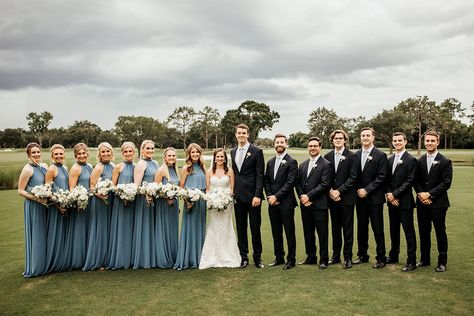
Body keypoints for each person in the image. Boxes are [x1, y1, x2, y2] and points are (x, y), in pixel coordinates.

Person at [414, 130, 452, 273]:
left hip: (438, 204)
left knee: (440, 232)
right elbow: (415, 181)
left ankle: (442, 262)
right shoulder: (420, 161)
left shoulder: (445, 161)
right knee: (424, 232)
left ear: (438, 142)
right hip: (422, 203)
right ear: (424, 142)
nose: (429, 143)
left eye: (432, 141)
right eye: (427, 141)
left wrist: (429, 194)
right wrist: (421, 195)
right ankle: (424, 259)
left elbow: (446, 183)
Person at [199, 148, 241, 269]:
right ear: (214, 158)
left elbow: (232, 189)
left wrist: (226, 200)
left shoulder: (230, 171)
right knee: (214, 227)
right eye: (218, 156)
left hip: (226, 204)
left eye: (222, 157)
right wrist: (211, 200)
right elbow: (207, 189)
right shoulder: (209, 172)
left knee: (226, 226)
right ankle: (212, 255)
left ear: (225, 158)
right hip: (213, 203)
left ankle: (228, 255)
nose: (220, 159)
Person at [230, 124, 265, 269]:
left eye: (244, 133)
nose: (241, 135)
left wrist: (258, 195)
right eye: (239, 133)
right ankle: (243, 257)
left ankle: (258, 258)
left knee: (255, 228)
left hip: (253, 197)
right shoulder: (232, 151)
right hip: (238, 197)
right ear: (236, 135)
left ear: (248, 135)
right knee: (241, 228)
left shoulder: (256, 151)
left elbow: (260, 175)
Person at [295, 137, 333, 269]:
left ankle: (323, 259)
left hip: (319, 205)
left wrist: (309, 196)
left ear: (320, 147)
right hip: (305, 205)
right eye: (310, 146)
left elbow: (324, 184)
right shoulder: (303, 164)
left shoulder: (326, 164)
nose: (312, 148)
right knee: (308, 232)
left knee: (322, 233)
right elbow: (298, 183)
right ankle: (311, 257)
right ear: (308, 148)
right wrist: (302, 197)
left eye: (315, 146)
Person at [354, 127, 388, 269]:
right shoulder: (355, 155)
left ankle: (381, 258)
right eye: (363, 135)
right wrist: (358, 190)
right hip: (359, 199)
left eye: (368, 135)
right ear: (360, 138)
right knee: (361, 228)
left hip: (375, 199)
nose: (365, 137)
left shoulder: (380, 155)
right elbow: (353, 176)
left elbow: (382, 177)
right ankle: (362, 255)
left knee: (377, 228)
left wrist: (366, 190)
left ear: (373, 137)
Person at [324, 130, 358, 269]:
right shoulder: (327, 156)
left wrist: (339, 191)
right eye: (335, 138)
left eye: (340, 138)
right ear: (332, 141)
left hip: (347, 199)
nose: (338, 140)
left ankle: (348, 258)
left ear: (345, 140)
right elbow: (326, 177)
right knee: (335, 229)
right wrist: (331, 191)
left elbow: (353, 177)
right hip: (332, 199)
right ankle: (336, 256)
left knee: (348, 230)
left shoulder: (352, 156)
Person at [264, 133, 298, 270]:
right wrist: (269, 196)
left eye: (282, 142)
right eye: (277, 142)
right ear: (274, 144)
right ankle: (279, 257)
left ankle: (291, 259)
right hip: (272, 203)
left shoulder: (292, 162)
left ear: (286, 144)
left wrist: (276, 197)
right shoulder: (270, 162)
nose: (279, 144)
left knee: (289, 232)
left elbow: (290, 183)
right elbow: (266, 181)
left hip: (286, 203)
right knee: (276, 232)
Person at [385, 132, 417, 272]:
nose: (397, 142)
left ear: (405, 142)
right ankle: (393, 256)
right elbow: (385, 179)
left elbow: (410, 181)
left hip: (405, 202)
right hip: (392, 202)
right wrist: (389, 195)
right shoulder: (390, 159)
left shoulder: (411, 160)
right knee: (394, 231)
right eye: (395, 140)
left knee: (408, 232)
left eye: (399, 140)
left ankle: (411, 261)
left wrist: (395, 195)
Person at [174, 143, 207, 270]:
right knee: (190, 230)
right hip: (190, 204)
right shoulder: (186, 168)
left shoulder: (203, 167)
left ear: (200, 153)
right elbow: (181, 188)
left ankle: (200, 258)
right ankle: (188, 258)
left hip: (201, 204)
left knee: (200, 229)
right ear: (189, 154)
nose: (195, 154)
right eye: (192, 152)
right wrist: (187, 201)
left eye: (197, 152)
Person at [17, 143, 48, 277]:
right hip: (34, 205)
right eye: (33, 152)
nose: (36, 154)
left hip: (46, 205)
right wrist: (36, 199)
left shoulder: (44, 166)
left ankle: (46, 262)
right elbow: (20, 190)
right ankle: (36, 266)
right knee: (37, 233)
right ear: (28, 154)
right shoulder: (27, 169)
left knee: (46, 232)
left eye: (38, 152)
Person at [83, 142, 115, 271]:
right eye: (103, 152)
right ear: (99, 154)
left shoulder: (113, 166)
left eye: (108, 151)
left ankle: (108, 259)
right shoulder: (98, 167)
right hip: (100, 203)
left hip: (111, 202)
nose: (106, 154)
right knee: (100, 231)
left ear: (111, 153)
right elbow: (91, 188)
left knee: (109, 230)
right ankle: (98, 260)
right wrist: (100, 194)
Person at [107, 142, 136, 270]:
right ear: (122, 153)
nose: (128, 154)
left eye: (131, 151)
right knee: (122, 229)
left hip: (133, 202)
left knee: (132, 230)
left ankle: (131, 258)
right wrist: (122, 196)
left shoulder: (136, 167)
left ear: (134, 153)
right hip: (120, 203)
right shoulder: (118, 167)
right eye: (126, 152)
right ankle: (120, 258)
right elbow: (112, 187)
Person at [132, 140, 159, 269]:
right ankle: (144, 258)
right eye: (147, 148)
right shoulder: (141, 164)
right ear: (142, 150)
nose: (150, 150)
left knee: (153, 227)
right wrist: (146, 194)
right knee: (144, 227)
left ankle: (153, 256)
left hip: (155, 200)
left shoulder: (155, 163)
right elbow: (136, 186)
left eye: (152, 148)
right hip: (144, 201)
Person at [66, 143, 93, 270]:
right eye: (79, 154)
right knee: (80, 230)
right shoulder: (75, 168)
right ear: (75, 155)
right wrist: (79, 199)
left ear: (87, 154)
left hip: (91, 202)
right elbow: (71, 188)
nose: (82, 156)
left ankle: (88, 257)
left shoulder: (90, 166)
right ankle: (79, 260)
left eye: (84, 153)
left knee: (89, 230)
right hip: (81, 204)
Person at [45, 144, 69, 273]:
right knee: (56, 233)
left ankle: (63, 261)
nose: (59, 156)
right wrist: (58, 204)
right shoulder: (51, 169)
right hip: (56, 207)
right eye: (56, 154)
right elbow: (48, 191)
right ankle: (54, 263)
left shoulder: (65, 168)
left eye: (61, 154)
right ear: (52, 156)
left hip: (66, 204)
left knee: (64, 233)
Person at [154, 147, 180, 268]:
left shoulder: (175, 170)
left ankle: (173, 256)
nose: (171, 158)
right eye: (169, 156)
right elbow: (156, 190)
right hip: (164, 205)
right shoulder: (161, 171)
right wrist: (166, 198)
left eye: (173, 156)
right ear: (165, 158)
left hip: (174, 205)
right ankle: (163, 258)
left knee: (173, 230)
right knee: (164, 230)